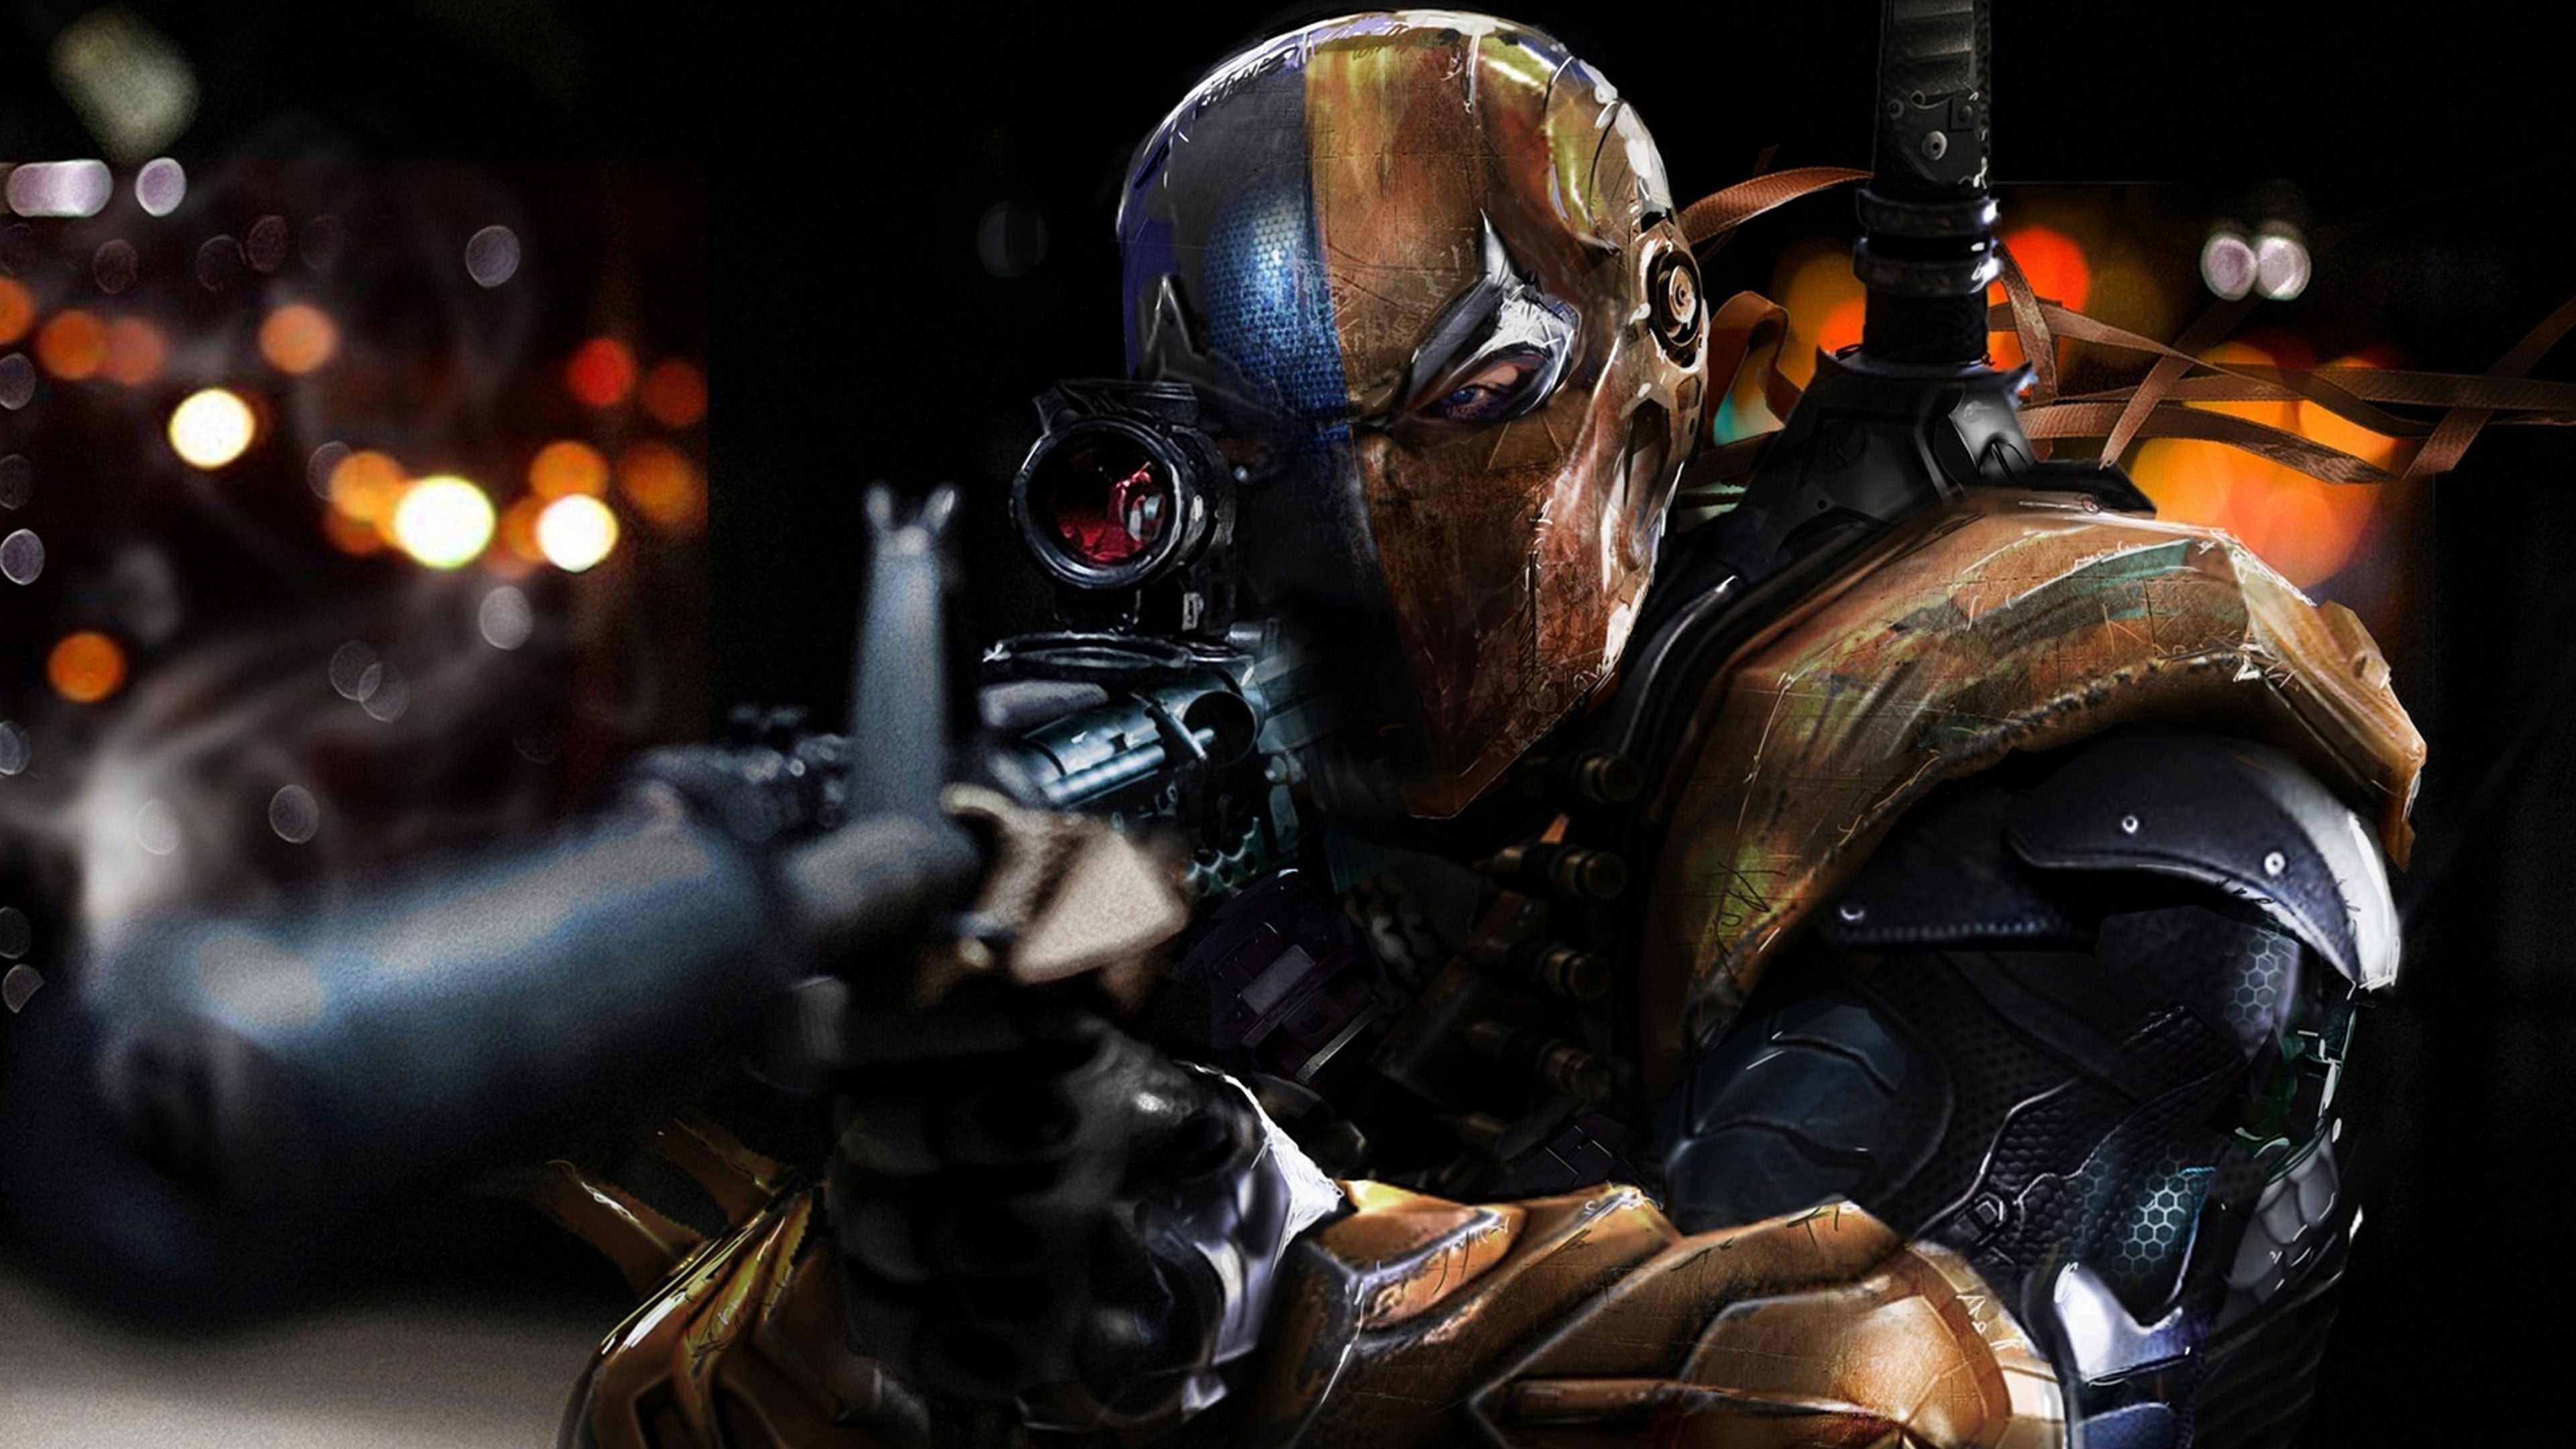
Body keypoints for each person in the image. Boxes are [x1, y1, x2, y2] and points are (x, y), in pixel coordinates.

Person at [555, 12, 2420, 1449]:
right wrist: (911, 1242)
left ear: (1655, 357)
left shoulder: (2034, 726)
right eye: (1245, 448)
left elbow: (1894, 1395)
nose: (1369, 524)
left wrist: (1262, 1272)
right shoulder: (1252, 778)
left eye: (1470, 396)